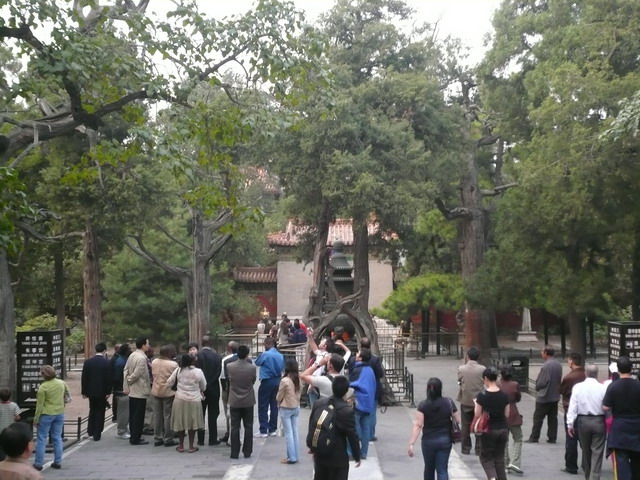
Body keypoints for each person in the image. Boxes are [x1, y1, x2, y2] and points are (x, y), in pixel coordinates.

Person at [308, 375, 361, 480]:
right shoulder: (346, 411)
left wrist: (313, 447)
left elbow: (312, 425)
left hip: (321, 454)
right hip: (338, 457)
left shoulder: (319, 403)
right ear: (346, 391)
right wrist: (357, 455)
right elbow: (352, 436)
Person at [408, 377, 460, 480]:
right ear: (440, 389)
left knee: (429, 468)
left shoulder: (423, 405)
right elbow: (458, 420)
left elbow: (418, 425)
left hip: (428, 441)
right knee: (442, 469)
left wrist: (411, 443)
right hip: (445, 440)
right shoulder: (448, 402)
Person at [566, 363, 607, 480]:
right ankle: (595, 476)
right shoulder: (603, 388)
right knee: (597, 452)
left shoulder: (578, 387)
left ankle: (588, 475)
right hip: (599, 420)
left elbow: (573, 406)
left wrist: (570, 424)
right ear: (597, 374)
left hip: (583, 421)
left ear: (586, 373)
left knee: (586, 450)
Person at [602, 356, 640, 480]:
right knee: (637, 460)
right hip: (637, 427)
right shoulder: (638, 385)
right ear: (631, 368)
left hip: (620, 427)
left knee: (621, 461)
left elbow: (605, 407)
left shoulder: (613, 386)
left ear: (618, 370)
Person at [166, 353, 206, 453]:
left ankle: (181, 446)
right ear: (192, 361)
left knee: (180, 422)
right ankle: (191, 446)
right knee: (193, 423)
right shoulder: (198, 372)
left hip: (180, 399)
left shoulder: (178, 370)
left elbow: (169, 382)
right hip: (194, 400)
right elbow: (204, 386)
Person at [475, 367, 510, 480]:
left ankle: (492, 477)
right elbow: (507, 414)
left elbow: (477, 414)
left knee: (486, 458)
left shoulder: (482, 395)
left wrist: (476, 404)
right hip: (503, 429)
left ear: (486, 378)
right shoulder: (504, 396)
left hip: (489, 430)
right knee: (499, 459)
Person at [347, 336, 384, 441]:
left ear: (360, 345)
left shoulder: (353, 360)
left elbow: (350, 373)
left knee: (357, 413)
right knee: (371, 413)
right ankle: (370, 434)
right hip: (372, 389)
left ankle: (358, 434)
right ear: (370, 346)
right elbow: (380, 373)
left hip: (357, 390)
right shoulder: (374, 359)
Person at [526, 345, 563, 444]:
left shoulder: (546, 366)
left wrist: (537, 387)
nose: (541, 353)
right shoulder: (558, 364)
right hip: (555, 395)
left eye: (542, 352)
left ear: (546, 353)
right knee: (552, 418)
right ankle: (552, 437)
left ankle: (534, 437)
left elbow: (541, 382)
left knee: (538, 417)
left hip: (544, 396)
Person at [33, 365, 67, 470]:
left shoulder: (43, 387)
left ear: (44, 375)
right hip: (59, 413)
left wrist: (36, 419)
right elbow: (67, 395)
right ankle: (57, 461)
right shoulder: (61, 383)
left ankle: (38, 463)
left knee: (42, 438)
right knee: (57, 437)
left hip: (46, 414)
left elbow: (39, 405)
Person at [226, 345, 257, 459]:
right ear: (247, 354)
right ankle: (247, 451)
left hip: (234, 400)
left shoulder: (229, 366)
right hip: (248, 400)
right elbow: (253, 381)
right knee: (248, 426)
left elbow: (228, 380)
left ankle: (234, 452)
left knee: (235, 426)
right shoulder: (252, 368)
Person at [558, 352, 586, 474]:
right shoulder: (585, 375)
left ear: (572, 361)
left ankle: (571, 465)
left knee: (571, 439)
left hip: (571, 410)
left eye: (569, 360)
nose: (568, 362)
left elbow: (562, 391)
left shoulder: (569, 378)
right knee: (585, 441)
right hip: (585, 411)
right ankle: (588, 464)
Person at [457, 346, 485, 455]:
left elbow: (459, 381)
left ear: (468, 356)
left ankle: (466, 448)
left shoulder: (461, 369)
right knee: (479, 423)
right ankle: (479, 448)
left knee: (465, 425)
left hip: (466, 399)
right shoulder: (482, 369)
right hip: (479, 400)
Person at [123, 336, 152, 445]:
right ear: (143, 345)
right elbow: (137, 373)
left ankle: (134, 436)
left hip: (133, 390)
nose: (148, 346)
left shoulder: (132, 355)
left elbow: (126, 370)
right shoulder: (141, 358)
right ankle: (136, 437)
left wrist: (126, 383)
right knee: (138, 416)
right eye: (147, 344)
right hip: (139, 389)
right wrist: (129, 380)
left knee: (133, 415)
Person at [81, 342, 112, 442]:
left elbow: (84, 377)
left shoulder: (88, 362)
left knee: (92, 409)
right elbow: (108, 378)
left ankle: (90, 430)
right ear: (104, 351)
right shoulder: (107, 363)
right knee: (100, 411)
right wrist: (108, 391)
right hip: (102, 391)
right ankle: (97, 433)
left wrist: (84, 391)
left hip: (90, 391)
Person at [349, 348, 377, 459]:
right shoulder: (370, 370)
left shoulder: (357, 369)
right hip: (369, 402)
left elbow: (351, 384)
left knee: (355, 428)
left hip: (358, 402)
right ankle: (364, 452)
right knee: (365, 428)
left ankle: (354, 451)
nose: (356, 355)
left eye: (358, 354)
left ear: (360, 358)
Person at [254, 336, 284, 437]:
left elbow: (257, 362)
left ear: (268, 344)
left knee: (263, 405)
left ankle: (263, 430)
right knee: (274, 405)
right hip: (277, 380)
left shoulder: (265, 354)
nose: (264, 347)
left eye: (265, 345)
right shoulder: (280, 355)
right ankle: (272, 429)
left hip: (266, 380)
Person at [195, 335, 222, 446]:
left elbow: (196, 372)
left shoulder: (197, 356)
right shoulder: (217, 357)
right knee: (213, 415)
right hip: (213, 388)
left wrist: (202, 386)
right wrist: (209, 383)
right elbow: (218, 373)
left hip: (199, 390)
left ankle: (200, 439)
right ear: (211, 343)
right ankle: (212, 439)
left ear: (201, 344)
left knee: (200, 415)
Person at [151, 344, 179, 447]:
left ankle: (158, 438)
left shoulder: (154, 362)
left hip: (156, 390)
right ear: (168, 353)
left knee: (157, 415)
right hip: (168, 392)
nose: (175, 352)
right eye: (173, 350)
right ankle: (168, 438)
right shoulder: (173, 364)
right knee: (168, 416)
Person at [276, 358, 302, 464]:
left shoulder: (285, 380)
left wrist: (278, 400)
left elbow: (279, 396)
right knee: (295, 432)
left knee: (288, 433)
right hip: (296, 407)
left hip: (286, 407)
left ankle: (291, 457)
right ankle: (295, 455)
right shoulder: (299, 378)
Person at [499, 365, 523, 475]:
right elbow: (518, 398)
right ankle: (515, 462)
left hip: (501, 415)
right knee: (518, 438)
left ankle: (505, 463)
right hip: (513, 414)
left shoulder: (498, 384)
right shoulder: (515, 384)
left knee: (504, 440)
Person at [219, 341, 239, 444]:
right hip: (243, 390)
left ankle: (229, 433)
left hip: (229, 389)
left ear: (229, 349)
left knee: (229, 412)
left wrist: (225, 390)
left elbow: (223, 377)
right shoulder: (247, 360)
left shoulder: (225, 360)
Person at [112, 343, 131, 439]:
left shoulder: (123, 360)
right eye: (129, 349)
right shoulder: (121, 362)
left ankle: (124, 429)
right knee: (123, 412)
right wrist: (122, 387)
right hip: (122, 390)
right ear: (126, 351)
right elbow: (117, 377)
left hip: (122, 389)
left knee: (125, 411)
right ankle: (121, 431)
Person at [0, 388, 21, 461]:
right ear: (10, 396)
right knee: (10, 444)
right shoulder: (14, 405)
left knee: (1, 446)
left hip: (1, 430)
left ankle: (2, 459)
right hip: (11, 429)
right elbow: (18, 417)